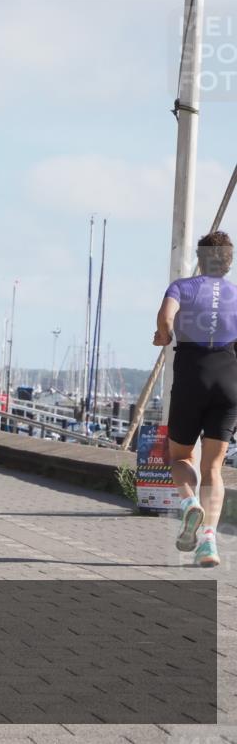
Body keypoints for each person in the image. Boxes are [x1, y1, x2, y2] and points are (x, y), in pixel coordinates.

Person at [153, 231, 237, 568]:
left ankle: (189, 506)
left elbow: (165, 318)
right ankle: (207, 544)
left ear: (200, 260)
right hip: (229, 380)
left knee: (181, 457)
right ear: (228, 262)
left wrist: (164, 335)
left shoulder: (182, 287)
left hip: (191, 377)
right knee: (214, 467)